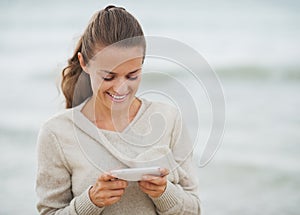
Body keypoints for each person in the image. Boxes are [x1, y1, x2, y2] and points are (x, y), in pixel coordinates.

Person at [35, 5, 201, 215]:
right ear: (84, 63)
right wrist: (91, 201)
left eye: (132, 75)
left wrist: (164, 193)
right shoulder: (56, 133)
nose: (121, 88)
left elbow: (194, 210)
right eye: (108, 77)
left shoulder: (169, 119)